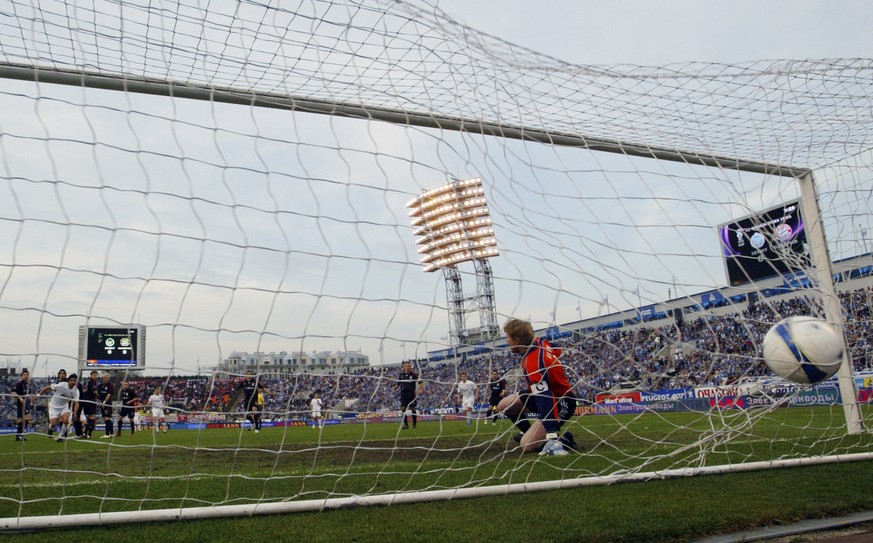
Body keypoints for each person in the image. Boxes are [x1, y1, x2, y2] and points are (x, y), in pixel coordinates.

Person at [498, 318, 576, 456]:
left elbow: (544, 397)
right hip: (545, 393)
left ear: (517, 340)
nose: (507, 341)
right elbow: (556, 348)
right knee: (503, 405)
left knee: (526, 445)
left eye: (508, 337)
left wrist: (551, 433)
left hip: (560, 402)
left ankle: (560, 440)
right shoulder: (540, 342)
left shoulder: (534, 364)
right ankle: (528, 432)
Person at [38, 373, 80, 442]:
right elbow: (47, 387)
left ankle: (60, 437)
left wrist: (75, 413)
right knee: (53, 424)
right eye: (71, 380)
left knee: (66, 421)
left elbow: (77, 403)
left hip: (64, 406)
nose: (73, 382)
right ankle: (50, 428)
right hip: (54, 406)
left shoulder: (76, 391)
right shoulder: (61, 385)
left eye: (74, 380)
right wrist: (38, 395)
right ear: (68, 381)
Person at [398, 362, 419, 429]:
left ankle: (414, 424)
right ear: (404, 367)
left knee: (412, 408)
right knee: (403, 409)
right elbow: (398, 383)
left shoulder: (413, 375)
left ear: (411, 367)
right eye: (407, 366)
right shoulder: (401, 375)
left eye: (409, 366)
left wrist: (421, 388)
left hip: (411, 393)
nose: (408, 367)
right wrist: (394, 388)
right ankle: (406, 425)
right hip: (403, 394)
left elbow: (420, 382)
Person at [12, 368, 32, 441]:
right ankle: (19, 435)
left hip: (27, 404)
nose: (26, 376)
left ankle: (21, 435)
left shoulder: (28, 385)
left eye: (27, 375)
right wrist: (20, 398)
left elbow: (28, 394)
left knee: (27, 419)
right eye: (25, 374)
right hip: (21, 404)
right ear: (22, 375)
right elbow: (13, 392)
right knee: (22, 420)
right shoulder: (19, 384)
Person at [80, 370, 100, 439]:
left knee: (89, 418)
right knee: (92, 417)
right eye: (94, 375)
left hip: (87, 401)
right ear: (91, 375)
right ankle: (89, 434)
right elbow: (94, 392)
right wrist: (100, 397)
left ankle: (85, 433)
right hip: (90, 401)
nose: (95, 376)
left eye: (96, 375)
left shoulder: (91, 382)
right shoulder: (92, 381)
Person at [47, 369, 67, 437]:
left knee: (64, 419)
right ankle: (50, 428)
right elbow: (48, 388)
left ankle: (63, 434)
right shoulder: (56, 382)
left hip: (64, 403)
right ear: (59, 375)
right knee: (53, 423)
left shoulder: (67, 382)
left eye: (63, 373)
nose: (62, 374)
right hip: (55, 403)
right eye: (61, 373)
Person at [97, 373, 115, 438]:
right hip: (102, 404)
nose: (105, 378)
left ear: (108, 378)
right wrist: (100, 401)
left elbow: (109, 394)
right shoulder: (100, 385)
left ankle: (107, 434)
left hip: (107, 404)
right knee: (106, 418)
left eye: (107, 377)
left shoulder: (110, 385)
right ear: (102, 378)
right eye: (104, 377)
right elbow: (98, 394)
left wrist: (104, 401)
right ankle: (112, 433)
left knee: (107, 417)